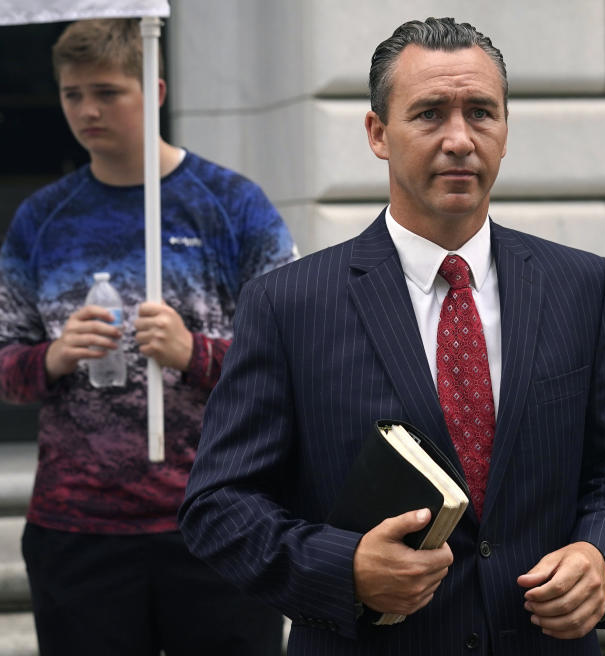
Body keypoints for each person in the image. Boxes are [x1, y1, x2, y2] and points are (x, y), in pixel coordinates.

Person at [179, 16, 605, 656]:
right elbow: (218, 505)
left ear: (506, 131)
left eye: (481, 112)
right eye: (429, 114)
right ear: (378, 133)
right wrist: (343, 569)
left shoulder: (579, 285)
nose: (460, 139)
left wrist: (600, 552)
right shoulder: (289, 302)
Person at [0, 18, 297, 655]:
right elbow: (5, 363)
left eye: (107, 92)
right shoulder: (40, 220)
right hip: (79, 529)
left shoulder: (233, 206)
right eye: (72, 94)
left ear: (155, 89)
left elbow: (295, 360)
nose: (86, 110)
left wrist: (196, 354)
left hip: (221, 516)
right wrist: (50, 357)